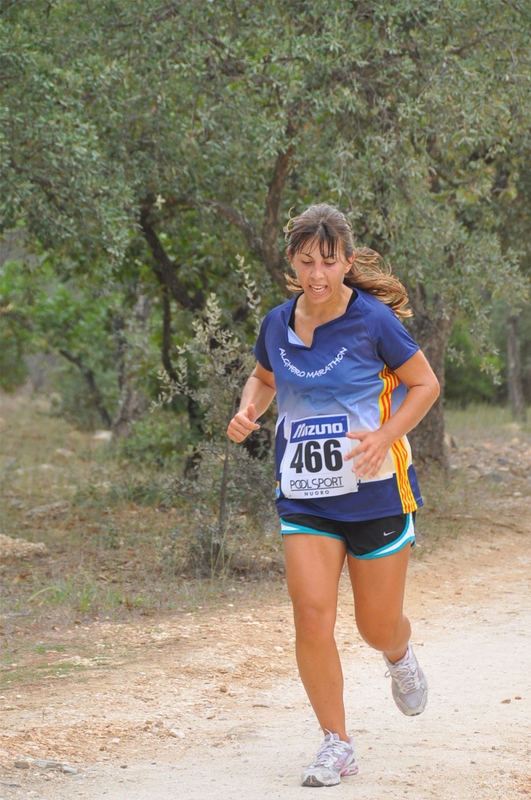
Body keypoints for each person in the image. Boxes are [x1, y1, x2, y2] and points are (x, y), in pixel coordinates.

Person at [227, 204, 440, 788]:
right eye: (305, 262)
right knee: (312, 616)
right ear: (291, 262)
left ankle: (399, 654)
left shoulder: (373, 321)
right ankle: (336, 743)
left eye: (328, 262)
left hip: (375, 493)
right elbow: (266, 378)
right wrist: (249, 409)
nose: (316, 274)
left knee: (376, 626)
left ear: (347, 261)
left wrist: (386, 436)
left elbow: (425, 384)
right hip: (305, 496)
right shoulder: (277, 323)